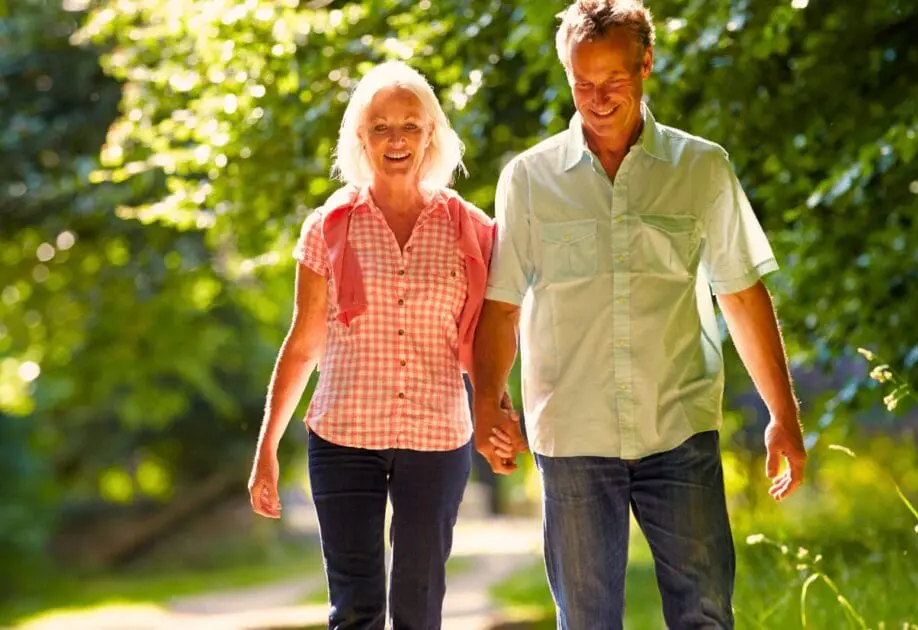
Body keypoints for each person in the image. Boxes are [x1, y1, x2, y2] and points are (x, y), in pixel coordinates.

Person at [471, 1, 808, 628]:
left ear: (646, 65)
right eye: (582, 84)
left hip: (677, 427)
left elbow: (740, 293)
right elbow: (501, 305)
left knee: (705, 615)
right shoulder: (528, 179)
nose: (597, 99)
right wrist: (486, 401)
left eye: (614, 82)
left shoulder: (702, 168)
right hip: (572, 435)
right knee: (589, 621)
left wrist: (782, 416)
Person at [247, 61, 499, 630]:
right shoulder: (328, 226)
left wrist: (499, 412)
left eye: (409, 125)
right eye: (380, 127)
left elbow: (491, 336)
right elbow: (303, 340)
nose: (396, 140)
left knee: (419, 607)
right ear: (360, 137)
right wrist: (266, 449)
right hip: (344, 437)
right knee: (355, 609)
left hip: (437, 437)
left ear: (431, 132)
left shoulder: (470, 228)